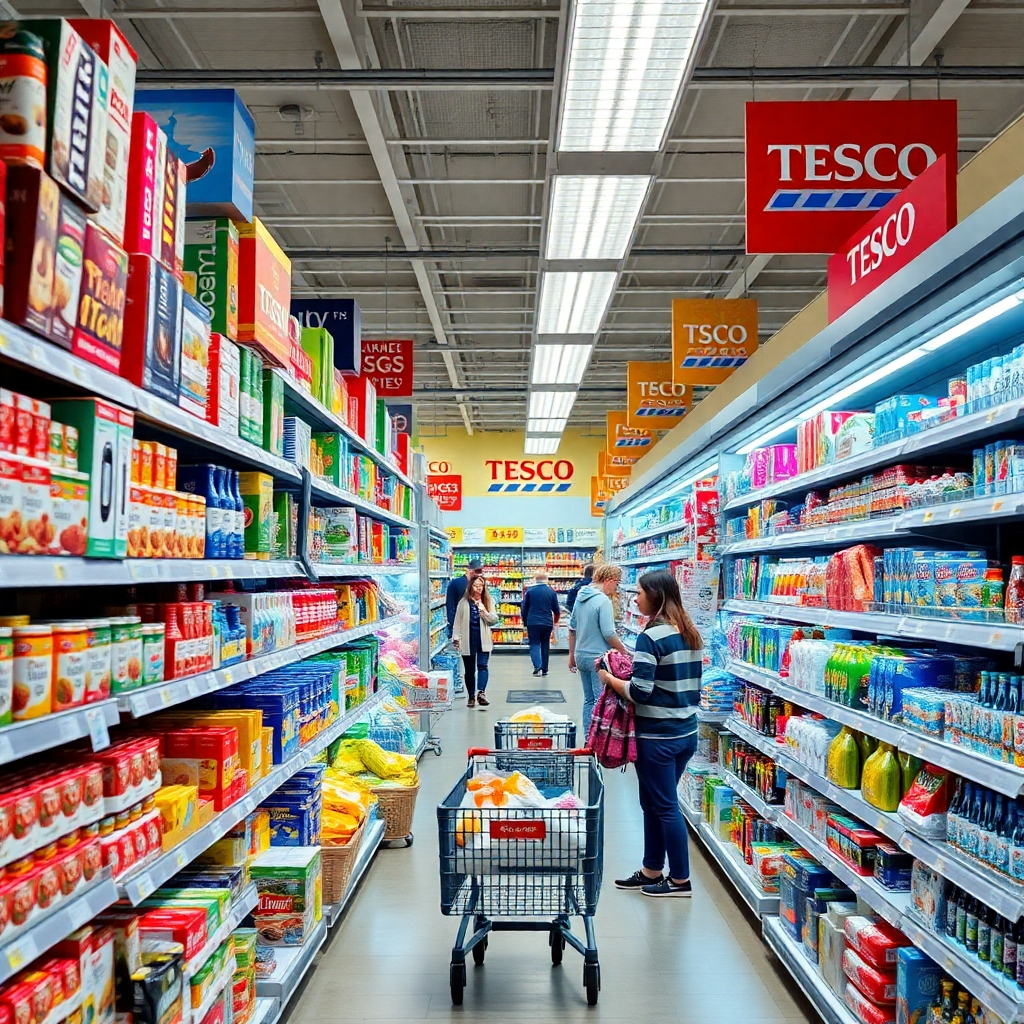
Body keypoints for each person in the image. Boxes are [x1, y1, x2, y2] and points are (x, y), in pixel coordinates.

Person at [597, 569, 702, 899]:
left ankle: (680, 880)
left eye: (640, 592)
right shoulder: (688, 632)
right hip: (685, 732)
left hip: (657, 735)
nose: (635, 597)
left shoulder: (650, 636)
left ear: (655, 595)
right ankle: (651, 869)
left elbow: (641, 692)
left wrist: (609, 679)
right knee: (653, 802)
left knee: (665, 805)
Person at [568, 563, 628, 732]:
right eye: (617, 583)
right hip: (598, 659)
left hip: (581, 656)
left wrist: (572, 655)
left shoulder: (580, 596)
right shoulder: (603, 600)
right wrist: (624, 651)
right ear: (609, 580)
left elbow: (572, 629)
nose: (616, 588)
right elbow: (609, 633)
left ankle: (588, 737)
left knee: (588, 699)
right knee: (600, 699)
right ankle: (597, 740)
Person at [452, 575, 497, 708]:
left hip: (483, 638)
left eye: (481, 585)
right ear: (470, 586)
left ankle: (481, 693)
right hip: (468, 638)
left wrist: (484, 612)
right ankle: (471, 696)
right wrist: (456, 637)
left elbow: (494, 620)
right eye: (476, 585)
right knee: (469, 669)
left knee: (483, 666)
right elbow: (457, 622)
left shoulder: (488, 601)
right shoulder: (463, 603)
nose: (478, 588)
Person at [522, 571, 560, 677]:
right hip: (547, 622)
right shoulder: (551, 592)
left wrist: (525, 621)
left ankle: (537, 666)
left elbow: (525, 608)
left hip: (532, 622)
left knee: (534, 644)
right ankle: (545, 669)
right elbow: (556, 610)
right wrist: (555, 622)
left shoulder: (530, 591)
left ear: (535, 580)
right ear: (546, 580)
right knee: (545, 645)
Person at [446, 559, 482, 638]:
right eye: (477, 571)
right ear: (470, 570)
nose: (479, 575)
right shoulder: (455, 583)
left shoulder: (477, 584)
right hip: (461, 625)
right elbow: (450, 605)